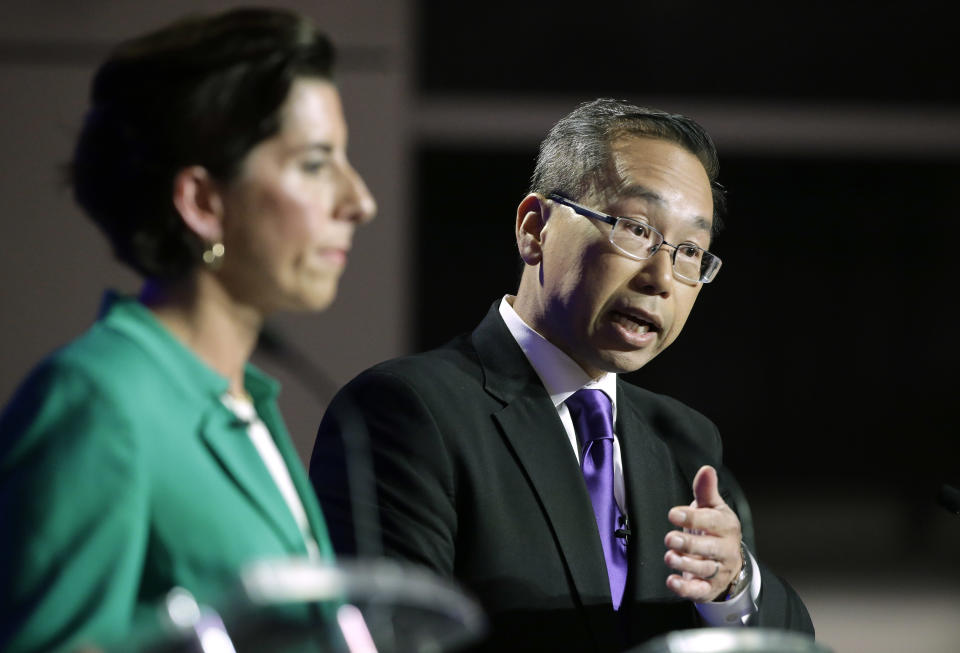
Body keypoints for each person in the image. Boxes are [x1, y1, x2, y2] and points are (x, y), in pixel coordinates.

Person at [310, 99, 813, 651]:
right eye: (636, 228)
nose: (662, 278)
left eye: (690, 251)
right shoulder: (408, 412)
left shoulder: (685, 442)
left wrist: (733, 584)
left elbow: (791, 640)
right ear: (534, 228)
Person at [0, 8, 376, 653]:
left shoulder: (244, 402)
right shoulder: (100, 403)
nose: (359, 201)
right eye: (316, 164)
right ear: (203, 202)